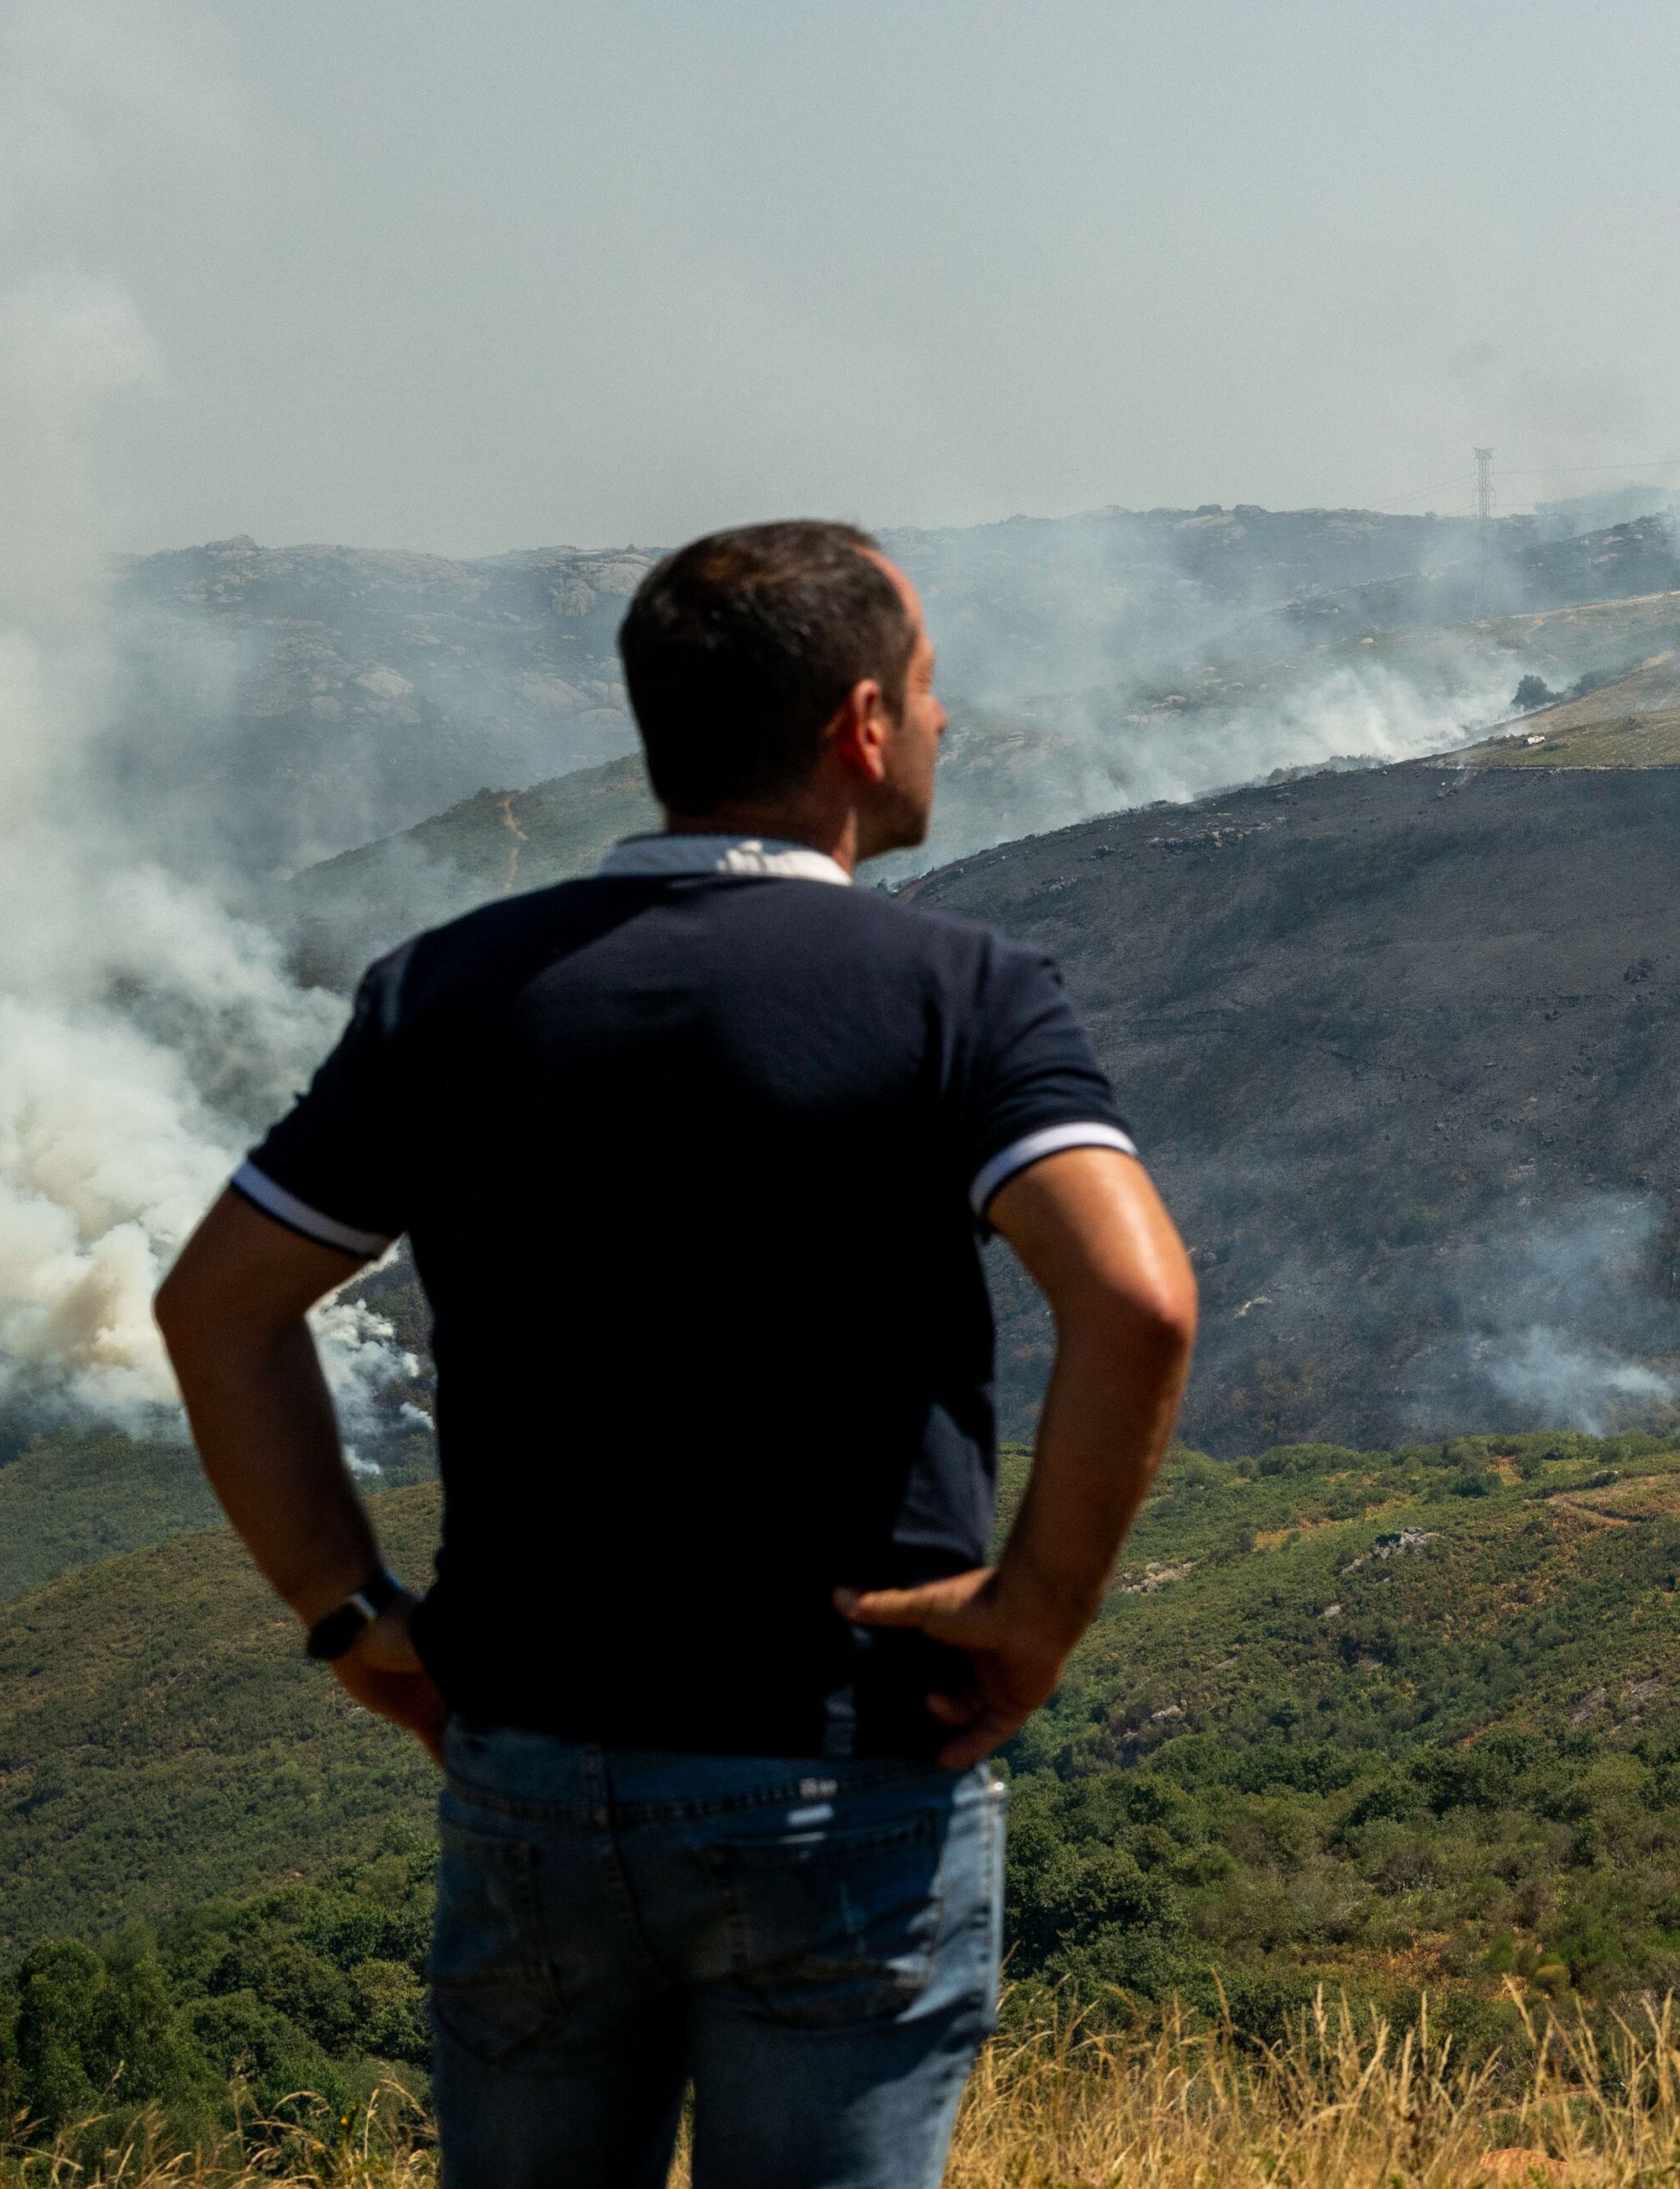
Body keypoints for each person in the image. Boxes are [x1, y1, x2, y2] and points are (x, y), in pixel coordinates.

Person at [154, 520, 1201, 2189]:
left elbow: (215, 1305)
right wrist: (1038, 1606)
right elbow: (1137, 1299)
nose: (946, 722)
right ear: (863, 725)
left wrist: (348, 1614)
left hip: (534, 1772)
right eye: (931, 690)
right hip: (840, 1767)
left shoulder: (444, 988)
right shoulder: (963, 991)